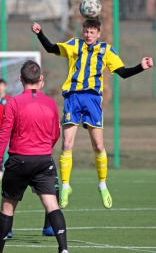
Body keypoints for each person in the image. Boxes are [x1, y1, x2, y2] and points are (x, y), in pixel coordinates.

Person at [31, 19, 154, 209]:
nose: (88, 35)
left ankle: (102, 185)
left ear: (98, 34)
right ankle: (65, 186)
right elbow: (50, 48)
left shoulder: (106, 50)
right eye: (86, 31)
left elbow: (122, 72)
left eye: (91, 32)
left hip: (93, 100)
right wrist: (40, 33)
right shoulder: (75, 45)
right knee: (67, 143)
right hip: (72, 98)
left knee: (98, 145)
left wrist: (140, 67)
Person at [0, 60, 69, 253]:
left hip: (19, 161)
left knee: (7, 207)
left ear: (20, 79)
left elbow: (4, 134)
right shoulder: (50, 102)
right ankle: (64, 249)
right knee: (52, 204)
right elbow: (55, 133)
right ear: (41, 79)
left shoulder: (13, 102)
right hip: (43, 160)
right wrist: (43, 149)